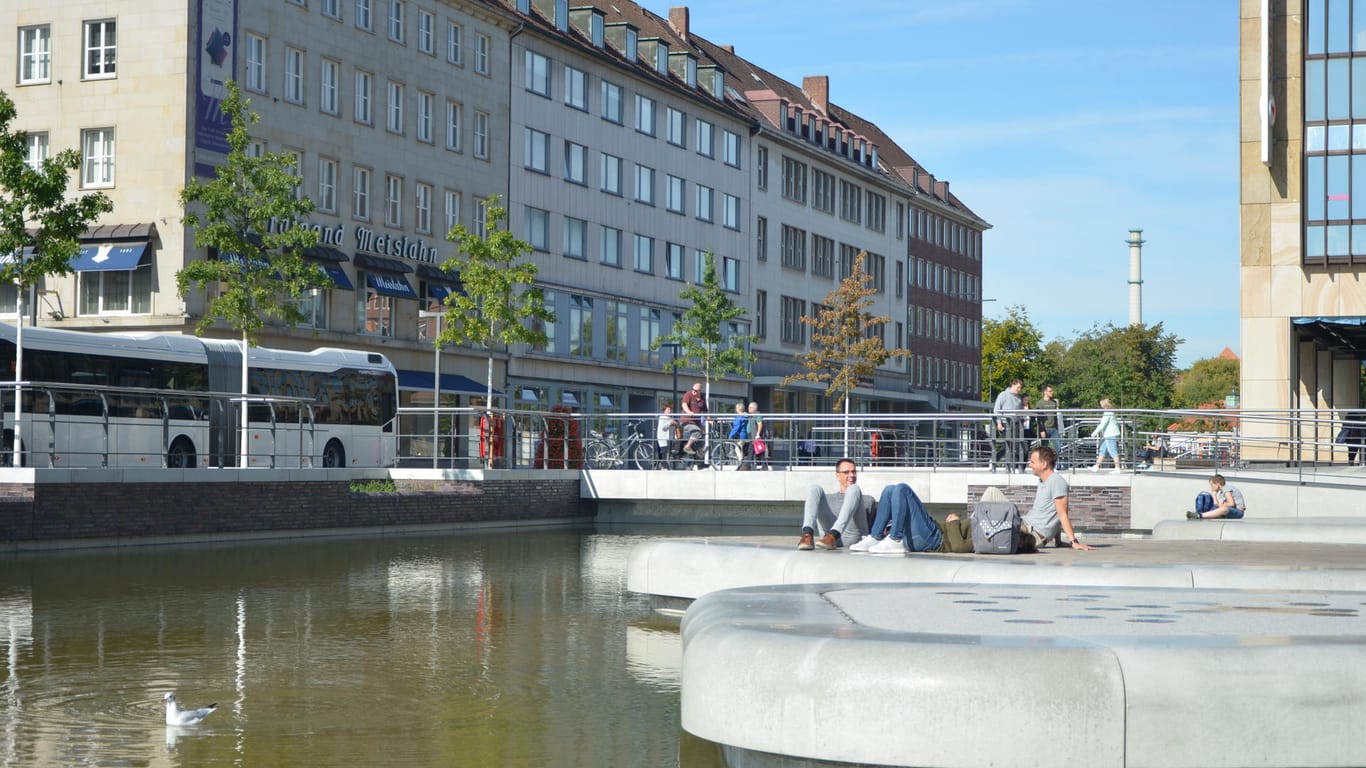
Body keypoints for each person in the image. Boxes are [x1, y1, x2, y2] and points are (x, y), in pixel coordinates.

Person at [848, 483, 973, 554]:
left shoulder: (986, 536)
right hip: (932, 532)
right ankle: (875, 536)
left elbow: (958, 547)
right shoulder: (981, 523)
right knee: (890, 490)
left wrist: (954, 522)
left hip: (935, 540)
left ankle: (895, 539)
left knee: (903, 489)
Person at [1022, 444, 1094, 550]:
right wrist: (1058, 541)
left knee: (992, 496)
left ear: (1044, 464)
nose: (1029, 465)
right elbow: (1054, 514)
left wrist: (1074, 542)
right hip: (1025, 527)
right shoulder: (1043, 481)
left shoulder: (1057, 481)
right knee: (993, 499)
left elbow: (1062, 514)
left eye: (1032, 462)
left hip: (1030, 534)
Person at [796, 458, 867, 550]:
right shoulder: (828, 499)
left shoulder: (867, 500)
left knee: (854, 489)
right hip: (826, 539)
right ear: (838, 476)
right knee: (814, 488)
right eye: (846, 472)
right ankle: (807, 534)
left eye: (854, 472)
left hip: (853, 539)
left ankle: (834, 534)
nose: (852, 475)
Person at [992, 379, 1025, 469]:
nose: (1019, 389)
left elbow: (1020, 411)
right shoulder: (1003, 395)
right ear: (1013, 385)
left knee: (1018, 445)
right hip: (1005, 423)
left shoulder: (1018, 398)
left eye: (1020, 388)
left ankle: (1017, 466)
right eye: (1018, 387)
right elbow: (996, 409)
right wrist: (999, 423)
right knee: (1006, 445)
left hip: (1016, 424)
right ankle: (994, 461)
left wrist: (1023, 419)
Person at [1088, 397, 1122, 473]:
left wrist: (1094, 433)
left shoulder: (1108, 413)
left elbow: (1102, 425)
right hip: (1107, 435)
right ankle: (1096, 466)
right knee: (1102, 451)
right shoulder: (1109, 412)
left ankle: (1117, 467)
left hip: (1110, 435)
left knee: (1112, 450)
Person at [1037, 385, 1062, 454]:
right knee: (1044, 450)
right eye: (1050, 391)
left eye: (1052, 391)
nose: (1052, 392)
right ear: (1045, 392)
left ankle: (1054, 463)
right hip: (1045, 429)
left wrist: (1057, 427)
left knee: (1058, 448)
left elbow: (1055, 416)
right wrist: (1042, 430)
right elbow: (1039, 418)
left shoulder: (1054, 402)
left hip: (1054, 429)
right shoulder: (1040, 403)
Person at [746, 401, 768, 470]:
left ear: (754, 408)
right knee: (758, 450)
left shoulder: (757, 415)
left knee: (752, 450)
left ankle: (746, 466)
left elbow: (760, 424)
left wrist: (758, 434)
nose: (749, 408)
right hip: (752, 436)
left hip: (755, 436)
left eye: (750, 407)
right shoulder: (751, 415)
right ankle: (764, 466)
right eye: (749, 407)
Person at [728, 402, 749, 469]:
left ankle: (741, 463)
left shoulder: (739, 417)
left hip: (741, 435)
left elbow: (736, 427)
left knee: (737, 448)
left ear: (738, 409)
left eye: (736, 408)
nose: (735, 409)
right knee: (741, 449)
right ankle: (742, 463)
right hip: (744, 434)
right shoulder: (745, 416)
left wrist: (730, 436)